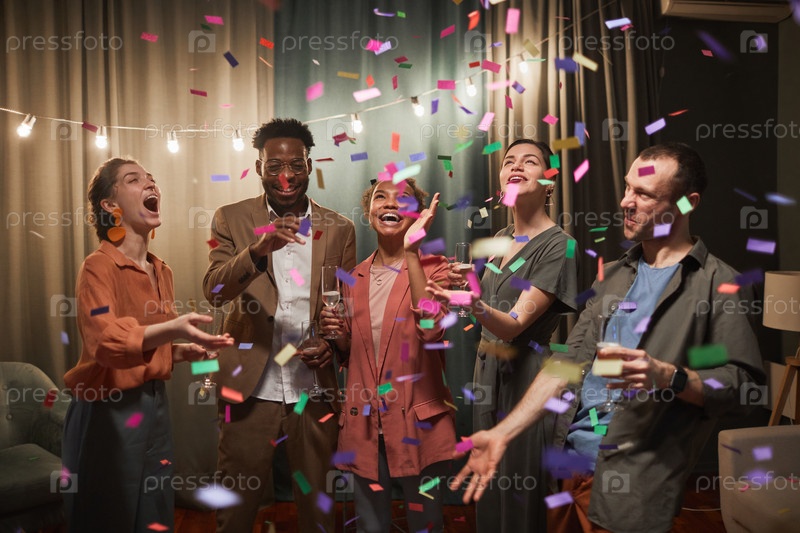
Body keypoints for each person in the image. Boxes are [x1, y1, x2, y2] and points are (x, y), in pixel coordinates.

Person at [449, 143, 766, 533]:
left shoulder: (720, 284)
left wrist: (669, 376)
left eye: (644, 194)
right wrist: (501, 433)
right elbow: (567, 364)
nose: (626, 202)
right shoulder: (613, 276)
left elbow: (743, 387)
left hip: (632, 483)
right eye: (628, 187)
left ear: (687, 203)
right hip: (567, 471)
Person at [62, 157, 233, 532]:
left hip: (154, 405)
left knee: (154, 511)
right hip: (107, 410)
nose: (150, 184)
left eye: (151, 179)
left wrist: (182, 352)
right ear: (110, 204)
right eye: (133, 179)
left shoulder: (161, 270)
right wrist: (174, 328)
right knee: (110, 517)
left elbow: (147, 347)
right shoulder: (97, 266)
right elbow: (105, 341)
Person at [203, 118, 356, 533]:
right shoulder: (230, 218)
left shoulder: (340, 228)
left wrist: (331, 344)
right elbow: (214, 291)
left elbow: (346, 307)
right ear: (259, 168)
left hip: (313, 387)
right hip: (250, 385)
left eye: (295, 165)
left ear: (309, 166)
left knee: (319, 508)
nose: (285, 176)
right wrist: (256, 251)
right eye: (274, 166)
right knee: (236, 509)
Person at [426, 139, 578, 532]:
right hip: (487, 378)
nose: (516, 166)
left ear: (549, 180)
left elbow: (512, 324)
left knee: (520, 498)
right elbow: (488, 310)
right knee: (490, 490)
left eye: (530, 161)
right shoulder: (502, 238)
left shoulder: (560, 245)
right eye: (509, 161)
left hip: (525, 381)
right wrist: (466, 289)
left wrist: (474, 302)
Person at [320, 179, 456, 533]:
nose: (390, 203)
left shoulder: (437, 268)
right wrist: (337, 334)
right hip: (364, 423)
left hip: (417, 423)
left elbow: (431, 330)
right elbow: (351, 354)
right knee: (370, 526)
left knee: (426, 524)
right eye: (381, 197)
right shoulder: (352, 277)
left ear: (417, 215)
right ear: (369, 213)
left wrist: (412, 253)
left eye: (403, 198)